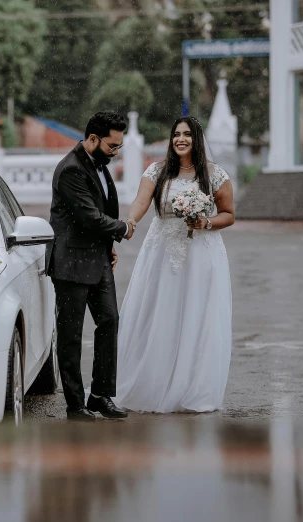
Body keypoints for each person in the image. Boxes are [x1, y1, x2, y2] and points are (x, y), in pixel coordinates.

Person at [114, 116, 235, 413]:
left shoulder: (214, 174)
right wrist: (131, 222)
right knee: (159, 313)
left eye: (187, 134)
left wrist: (206, 221)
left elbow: (228, 213)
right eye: (176, 134)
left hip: (202, 253)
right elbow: (142, 201)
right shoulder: (158, 171)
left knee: (197, 316)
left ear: (197, 139)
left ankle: (191, 385)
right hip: (162, 250)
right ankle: (153, 381)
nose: (181, 139)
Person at [45, 111, 136, 422]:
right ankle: (75, 405)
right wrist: (122, 229)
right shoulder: (70, 170)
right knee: (70, 335)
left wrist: (109, 248)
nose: (115, 152)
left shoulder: (100, 164)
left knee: (109, 322)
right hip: (70, 265)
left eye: (119, 147)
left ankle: (99, 396)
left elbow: (102, 208)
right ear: (93, 139)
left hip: (97, 261)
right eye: (112, 146)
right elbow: (88, 217)